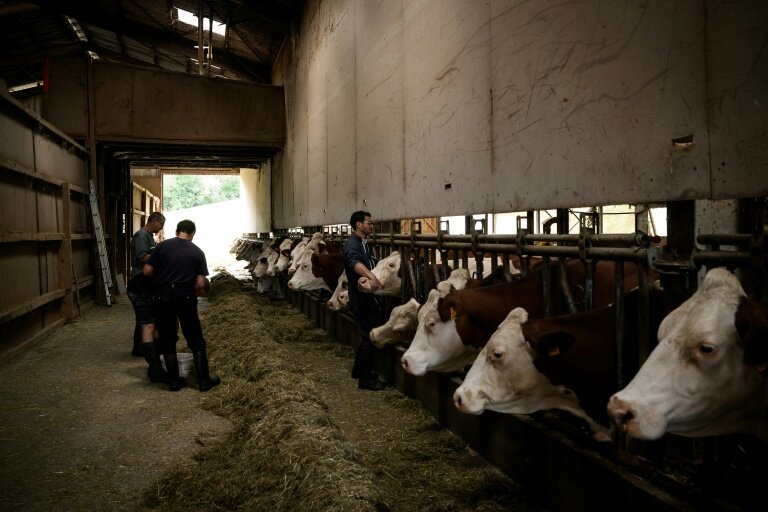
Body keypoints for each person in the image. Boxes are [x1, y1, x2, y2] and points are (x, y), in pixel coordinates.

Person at [143, 219, 220, 392]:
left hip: (163, 298)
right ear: (193, 233)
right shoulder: (197, 252)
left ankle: (174, 382)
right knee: (196, 340)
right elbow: (201, 283)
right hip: (185, 297)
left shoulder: (162, 247)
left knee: (168, 339)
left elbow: (147, 271)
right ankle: (204, 381)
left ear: (177, 231)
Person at [343, 211, 386, 391]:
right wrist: (371, 276)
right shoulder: (353, 243)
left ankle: (358, 371)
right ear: (359, 224)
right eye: (368, 222)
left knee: (365, 334)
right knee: (369, 336)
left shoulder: (363, 243)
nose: (371, 225)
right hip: (360, 297)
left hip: (365, 296)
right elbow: (354, 263)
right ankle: (365, 380)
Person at [127, 211, 168, 383]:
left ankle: (140, 347)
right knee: (145, 319)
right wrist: (160, 256)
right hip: (139, 280)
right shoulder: (141, 236)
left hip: (145, 282)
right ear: (154, 221)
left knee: (144, 319)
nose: (161, 228)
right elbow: (142, 256)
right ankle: (139, 348)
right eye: (161, 224)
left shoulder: (149, 236)